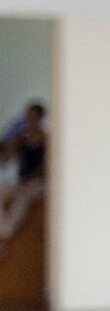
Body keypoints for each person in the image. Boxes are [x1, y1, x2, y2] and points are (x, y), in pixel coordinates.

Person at [0, 102, 48, 248]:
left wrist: (31, 179)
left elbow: (45, 166)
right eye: (27, 115)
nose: (29, 119)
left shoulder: (46, 139)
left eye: (32, 116)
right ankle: (3, 231)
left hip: (38, 183)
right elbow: (7, 156)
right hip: (21, 182)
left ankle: (4, 236)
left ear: (39, 118)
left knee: (23, 197)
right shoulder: (21, 138)